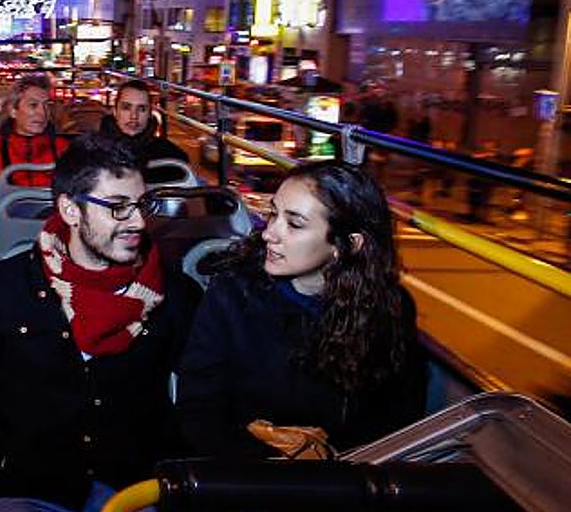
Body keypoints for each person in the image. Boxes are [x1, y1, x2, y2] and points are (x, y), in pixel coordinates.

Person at [0, 132, 203, 512]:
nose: (137, 221)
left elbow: (206, 390)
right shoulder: (2, 288)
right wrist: (0, 454)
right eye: (117, 206)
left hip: (138, 490)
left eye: (142, 204)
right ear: (70, 210)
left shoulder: (176, 296)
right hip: (30, 494)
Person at [177, 160, 426, 460]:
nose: (270, 233)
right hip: (247, 478)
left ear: (347, 244)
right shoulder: (232, 294)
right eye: (273, 214)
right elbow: (201, 410)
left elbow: (395, 419)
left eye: (294, 224)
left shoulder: (389, 309)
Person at [0, 73, 69, 247]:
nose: (42, 113)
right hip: (9, 242)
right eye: (33, 105)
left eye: (46, 105)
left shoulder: (65, 151)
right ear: (13, 110)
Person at [99, 79, 190, 164]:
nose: (134, 116)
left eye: (141, 109)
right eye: (126, 108)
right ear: (115, 111)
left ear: (150, 113)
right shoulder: (93, 151)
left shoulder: (172, 156)